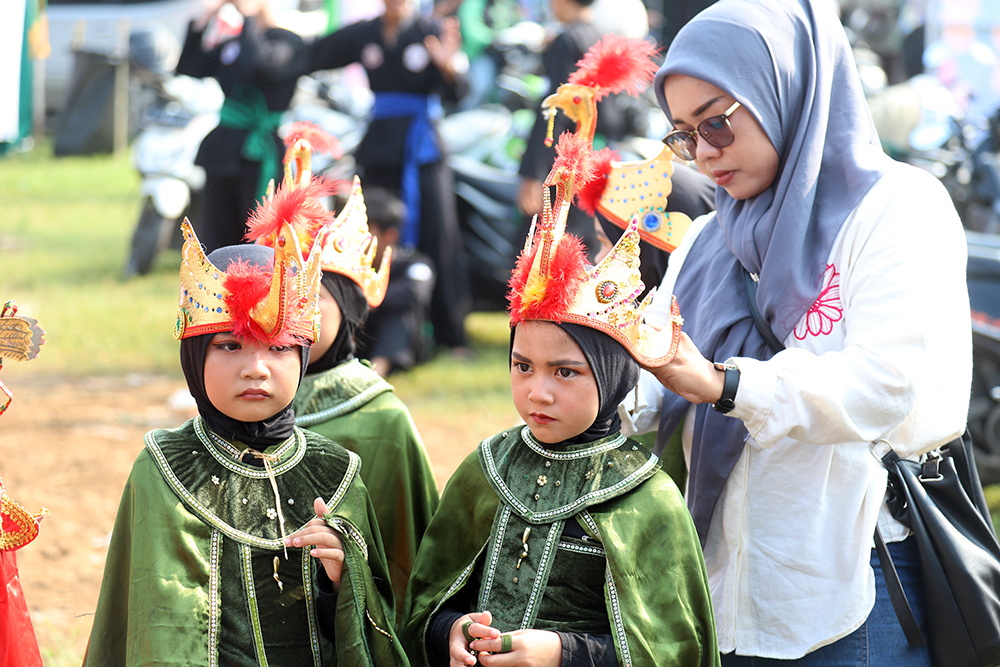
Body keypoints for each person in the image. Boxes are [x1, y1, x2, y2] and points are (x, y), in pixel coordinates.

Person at [621, 0, 972, 663]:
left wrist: (726, 384)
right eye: (683, 135)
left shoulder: (896, 210)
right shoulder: (707, 238)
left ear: (787, 87)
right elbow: (646, 390)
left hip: (855, 588)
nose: (702, 153)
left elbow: (880, 386)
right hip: (722, 588)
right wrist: (589, 350)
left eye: (717, 123)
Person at [401, 135, 719, 667]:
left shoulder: (646, 499)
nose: (537, 391)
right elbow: (427, 598)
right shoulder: (487, 468)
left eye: (566, 372)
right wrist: (447, 631)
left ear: (614, 375)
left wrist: (565, 654)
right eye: (522, 366)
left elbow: (673, 651)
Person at [82, 212, 407, 666]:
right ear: (195, 357)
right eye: (230, 345)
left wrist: (340, 578)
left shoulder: (337, 474)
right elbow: (151, 632)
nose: (256, 368)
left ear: (303, 355)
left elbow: (373, 631)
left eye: (278, 348)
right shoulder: (162, 470)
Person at [253, 139, 439, 625]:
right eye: (277, 294)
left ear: (349, 307)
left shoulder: (381, 419)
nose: (291, 313)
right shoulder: (240, 400)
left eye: (312, 299)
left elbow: (411, 561)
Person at [306, 0, 473, 356]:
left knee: (437, 235)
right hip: (378, 148)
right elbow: (316, 53)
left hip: (421, 149)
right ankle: (361, 330)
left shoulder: (430, 31)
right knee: (366, 237)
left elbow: (460, 91)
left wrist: (448, 67)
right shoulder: (366, 32)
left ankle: (451, 335)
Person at [176, 0, 310, 253]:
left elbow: (259, 64)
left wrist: (250, 15)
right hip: (225, 146)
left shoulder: (289, 42)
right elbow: (189, 68)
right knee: (215, 234)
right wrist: (204, 19)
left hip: (259, 152)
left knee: (256, 238)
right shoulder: (234, 41)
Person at [516, 0, 628, 258]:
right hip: (596, 161)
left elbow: (553, 113)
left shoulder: (567, 40)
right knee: (581, 248)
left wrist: (534, 174)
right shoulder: (602, 37)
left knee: (543, 251)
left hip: (565, 164)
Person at [355, 186, 436, 377]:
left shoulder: (415, 263)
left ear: (389, 235)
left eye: (365, 232)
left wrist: (372, 301)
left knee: (400, 311)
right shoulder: (351, 266)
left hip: (403, 342)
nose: (358, 239)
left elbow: (415, 292)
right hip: (362, 337)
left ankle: (375, 374)